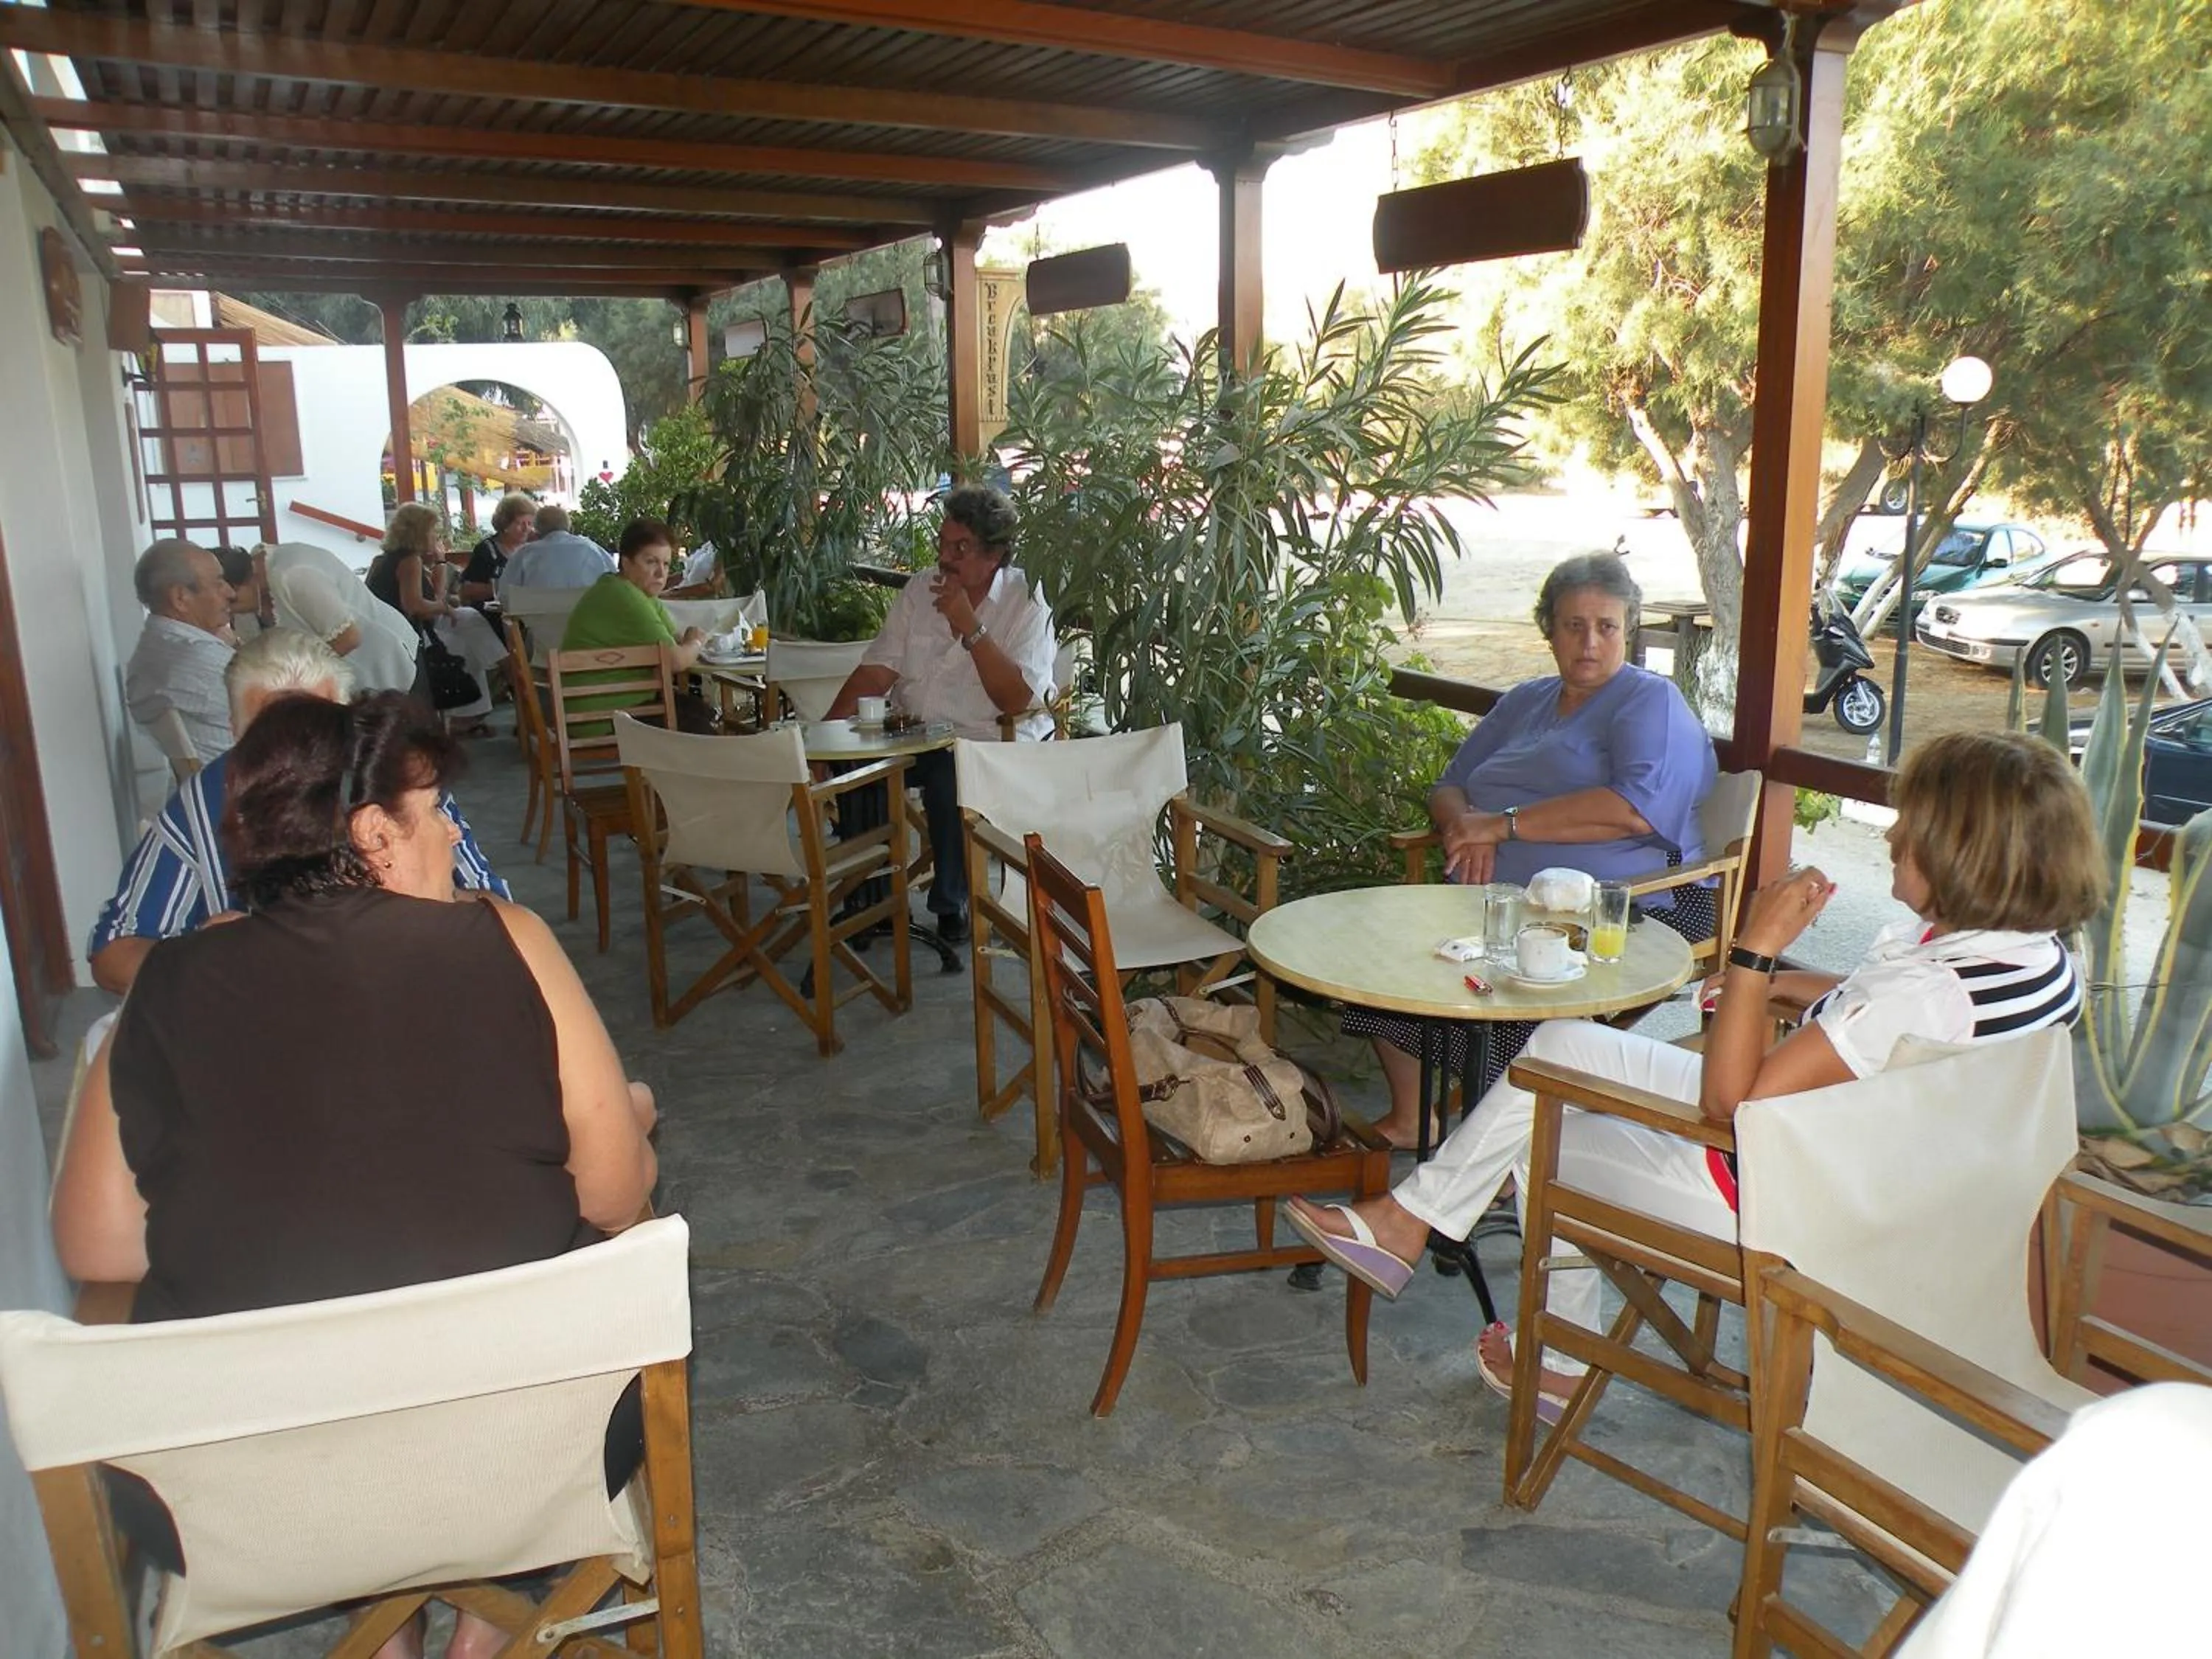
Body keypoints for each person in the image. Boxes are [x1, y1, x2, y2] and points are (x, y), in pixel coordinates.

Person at [52, 692, 656, 1659]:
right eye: (441, 811)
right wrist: (630, 1122)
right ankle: (485, 1614)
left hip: (254, 1498)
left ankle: (388, 1623)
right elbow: (614, 1195)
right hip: (522, 1458)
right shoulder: (507, 940)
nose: (459, 835)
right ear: (375, 831)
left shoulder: (166, 980)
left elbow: (95, 1244)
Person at [1288, 731, 2103, 1421]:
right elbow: (1889, 1024)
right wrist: (1791, 986)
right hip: (1867, 1168)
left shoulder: (1923, 994)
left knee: (1542, 1126)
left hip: (1783, 1199)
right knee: (1562, 1046)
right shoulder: (2034, 960)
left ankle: (1543, 1344)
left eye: (1912, 826)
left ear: (1964, 853)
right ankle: (1415, 1222)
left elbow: (1732, 1102)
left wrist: (1753, 955)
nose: (1894, 839)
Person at [1345, 551, 1718, 1146]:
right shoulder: (1527, 699)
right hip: (1492, 896)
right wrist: (1464, 827)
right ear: (1549, 631)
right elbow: (1449, 784)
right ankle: (1416, 1116)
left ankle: (1497, 1154)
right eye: (1574, 626)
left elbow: (1633, 808)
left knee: (1514, 996)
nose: (1590, 642)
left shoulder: (1648, 701)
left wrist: (1502, 827)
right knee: (1389, 967)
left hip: (1625, 908)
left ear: (1629, 630)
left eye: (1607, 627)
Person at [88, 628, 507, 996]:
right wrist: (206, 958)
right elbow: (114, 952)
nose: (295, 757)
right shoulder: (205, 799)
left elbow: (497, 909)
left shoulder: (403, 784)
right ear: (234, 733)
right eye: (269, 738)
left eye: (317, 731)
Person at [827, 485, 1057, 942]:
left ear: (994, 556)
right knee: (855, 761)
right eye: (943, 544)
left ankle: (950, 903)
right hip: (911, 734)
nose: (945, 558)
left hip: (988, 742)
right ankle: (870, 899)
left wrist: (970, 627)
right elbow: (876, 671)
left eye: (960, 548)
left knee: (950, 774)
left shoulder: (1026, 600)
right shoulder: (919, 589)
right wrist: (824, 732)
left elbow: (1016, 700)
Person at [557, 517, 715, 732]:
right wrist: (696, 641)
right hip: (599, 717)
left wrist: (688, 641)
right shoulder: (624, 596)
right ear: (626, 562)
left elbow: (674, 639)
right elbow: (676, 660)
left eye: (666, 564)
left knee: (701, 712)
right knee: (701, 729)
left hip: (620, 705)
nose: (661, 573)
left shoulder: (637, 593)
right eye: (651, 562)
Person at [365, 503, 506, 731]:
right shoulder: (411, 561)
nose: (436, 536)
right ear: (420, 532)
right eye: (433, 531)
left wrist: (442, 602)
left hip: (388, 633)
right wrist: (444, 603)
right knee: (466, 638)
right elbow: (415, 606)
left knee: (468, 619)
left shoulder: (382, 560)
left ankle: (491, 685)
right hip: (409, 637)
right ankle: (500, 676)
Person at [238, 540, 421, 695]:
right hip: (352, 682)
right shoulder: (254, 599)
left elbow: (348, 638)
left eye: (232, 601)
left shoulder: (293, 573)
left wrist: (294, 683)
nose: (230, 610)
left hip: (388, 660)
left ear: (246, 582)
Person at [123, 538, 237, 763]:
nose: (230, 592)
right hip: (253, 786)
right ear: (180, 598)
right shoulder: (201, 657)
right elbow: (290, 709)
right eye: (218, 583)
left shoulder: (156, 646)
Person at [496, 503, 614, 604]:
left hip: (538, 628)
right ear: (568, 526)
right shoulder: (592, 549)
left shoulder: (524, 554)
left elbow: (505, 597)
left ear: (537, 529)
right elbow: (616, 585)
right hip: (590, 625)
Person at [459, 491, 536, 606]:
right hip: (491, 616)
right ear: (505, 523)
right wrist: (502, 587)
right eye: (520, 523)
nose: (526, 529)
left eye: (530, 523)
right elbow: (466, 591)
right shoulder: (486, 550)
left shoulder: (534, 548)